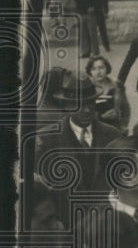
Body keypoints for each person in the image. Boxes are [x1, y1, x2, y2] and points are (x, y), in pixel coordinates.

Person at [35, 76, 123, 216]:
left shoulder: (113, 135)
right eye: (79, 105)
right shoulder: (46, 140)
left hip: (106, 221)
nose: (87, 110)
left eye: (91, 103)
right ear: (66, 105)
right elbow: (39, 191)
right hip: (67, 222)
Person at [87, 55, 131, 131]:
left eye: (101, 68)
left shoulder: (117, 85)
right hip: (94, 128)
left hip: (115, 127)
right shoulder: (87, 88)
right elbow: (84, 113)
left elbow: (125, 108)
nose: (98, 72)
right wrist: (101, 117)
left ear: (107, 68)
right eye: (94, 69)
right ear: (90, 72)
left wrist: (124, 126)